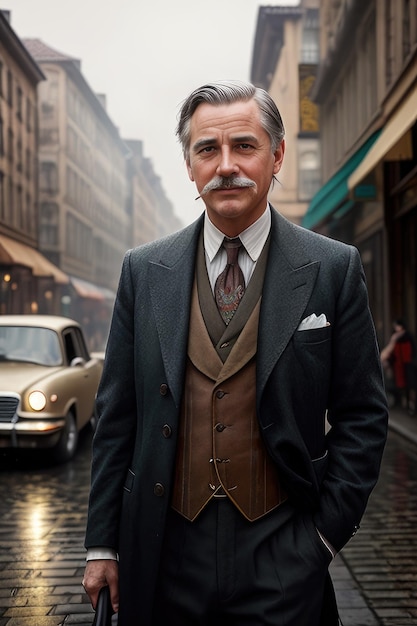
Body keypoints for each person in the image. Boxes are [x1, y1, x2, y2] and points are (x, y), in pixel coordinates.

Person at [83, 80, 388, 626]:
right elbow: (115, 418)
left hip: (283, 552)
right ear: (190, 165)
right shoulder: (143, 271)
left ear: (277, 156)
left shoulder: (333, 268)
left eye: (244, 146)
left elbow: (363, 416)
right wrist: (102, 545)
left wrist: (321, 539)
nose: (226, 165)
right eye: (208, 149)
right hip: (165, 550)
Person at [380, 319, 415, 408]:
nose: (396, 328)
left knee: (410, 384)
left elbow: (412, 350)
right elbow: (392, 353)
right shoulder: (395, 337)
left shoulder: (407, 337)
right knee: (400, 384)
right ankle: (404, 402)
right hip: (398, 365)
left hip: (407, 363)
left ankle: (410, 403)